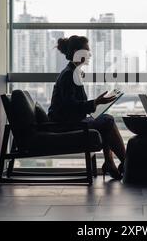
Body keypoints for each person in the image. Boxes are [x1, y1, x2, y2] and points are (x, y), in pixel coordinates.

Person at [48, 35, 126, 180]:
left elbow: (73, 105)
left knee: (104, 121)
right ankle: (127, 163)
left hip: (68, 121)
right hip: (64, 125)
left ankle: (110, 162)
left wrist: (96, 104)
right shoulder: (69, 75)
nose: (90, 54)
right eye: (87, 50)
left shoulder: (73, 72)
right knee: (107, 121)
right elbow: (69, 106)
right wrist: (95, 102)